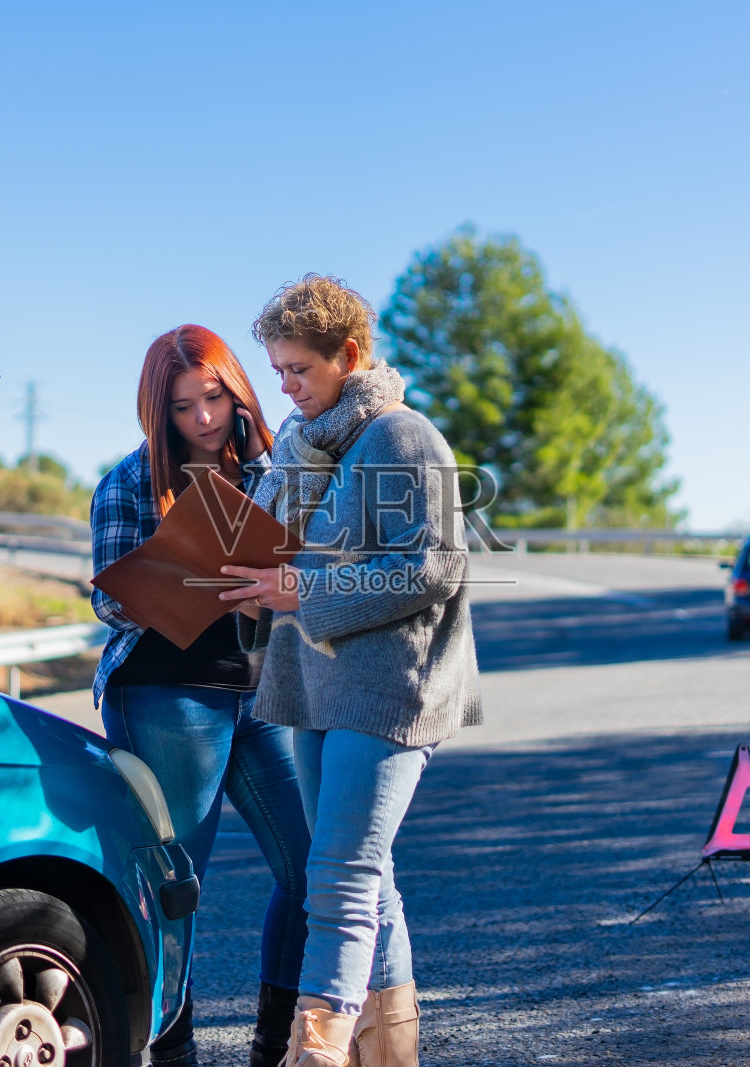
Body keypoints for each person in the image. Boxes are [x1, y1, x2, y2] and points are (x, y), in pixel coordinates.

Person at [219, 276, 483, 1067]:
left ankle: (318, 1048)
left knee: (340, 873)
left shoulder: (402, 438)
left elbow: (435, 566)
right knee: (374, 879)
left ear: (351, 355)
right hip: (314, 688)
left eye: (299, 369)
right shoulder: (304, 450)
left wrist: (306, 589)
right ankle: (389, 1054)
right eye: (278, 372)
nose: (287, 387)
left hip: (387, 688)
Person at [91, 324, 312, 1067]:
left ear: (238, 392)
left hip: (260, 694)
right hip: (168, 696)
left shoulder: (274, 470)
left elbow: (311, 561)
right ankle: (174, 1052)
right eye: (185, 406)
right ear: (160, 412)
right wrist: (190, 577)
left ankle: (274, 1046)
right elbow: (111, 601)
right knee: (177, 887)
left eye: (215, 397)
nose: (205, 419)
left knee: (314, 867)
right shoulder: (128, 479)